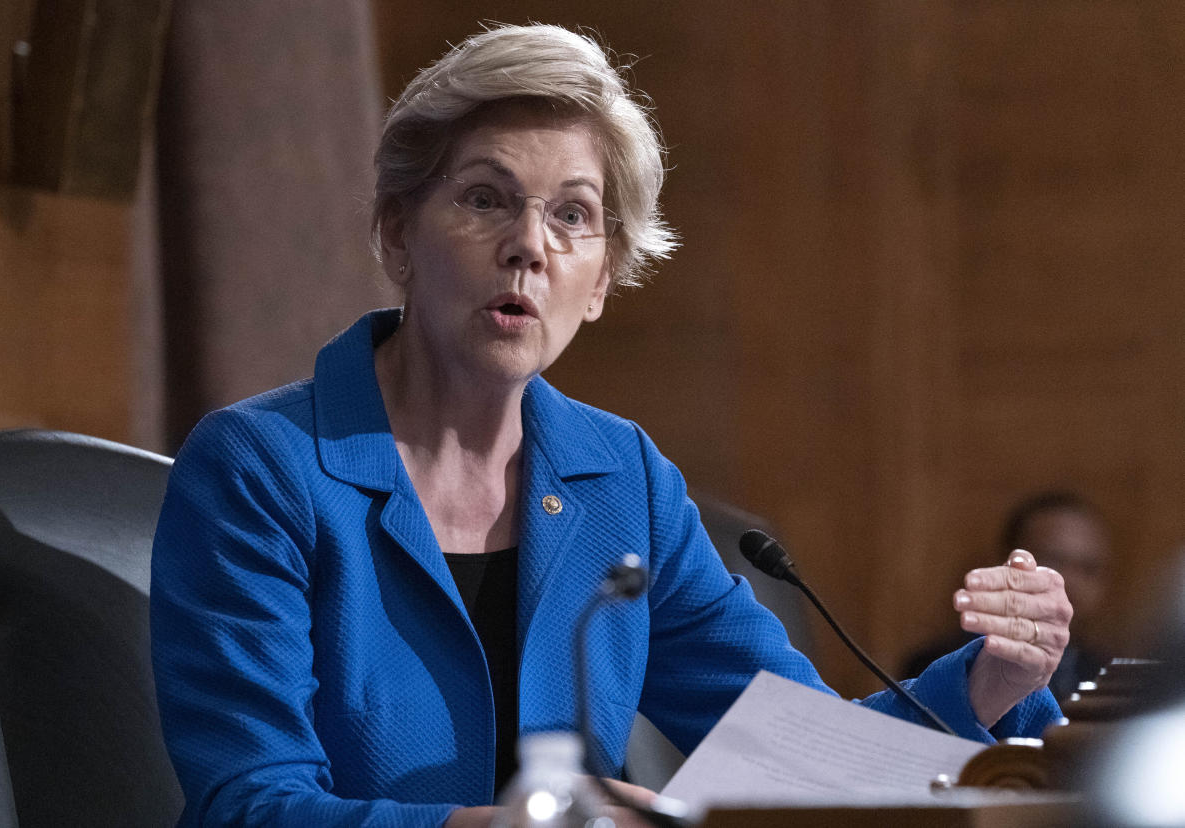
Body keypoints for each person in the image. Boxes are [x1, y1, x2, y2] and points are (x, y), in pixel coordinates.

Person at [150, 24, 1073, 828]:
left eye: (573, 217)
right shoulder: (260, 469)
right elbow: (249, 802)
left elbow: (808, 768)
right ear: (398, 234)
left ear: (600, 283)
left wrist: (991, 678)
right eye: (485, 198)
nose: (530, 246)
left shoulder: (618, 476)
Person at [902, 490, 1109, 700]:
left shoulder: (1110, 676)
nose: (1069, 582)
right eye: (1054, 561)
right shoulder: (937, 666)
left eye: (1088, 569)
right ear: (1007, 563)